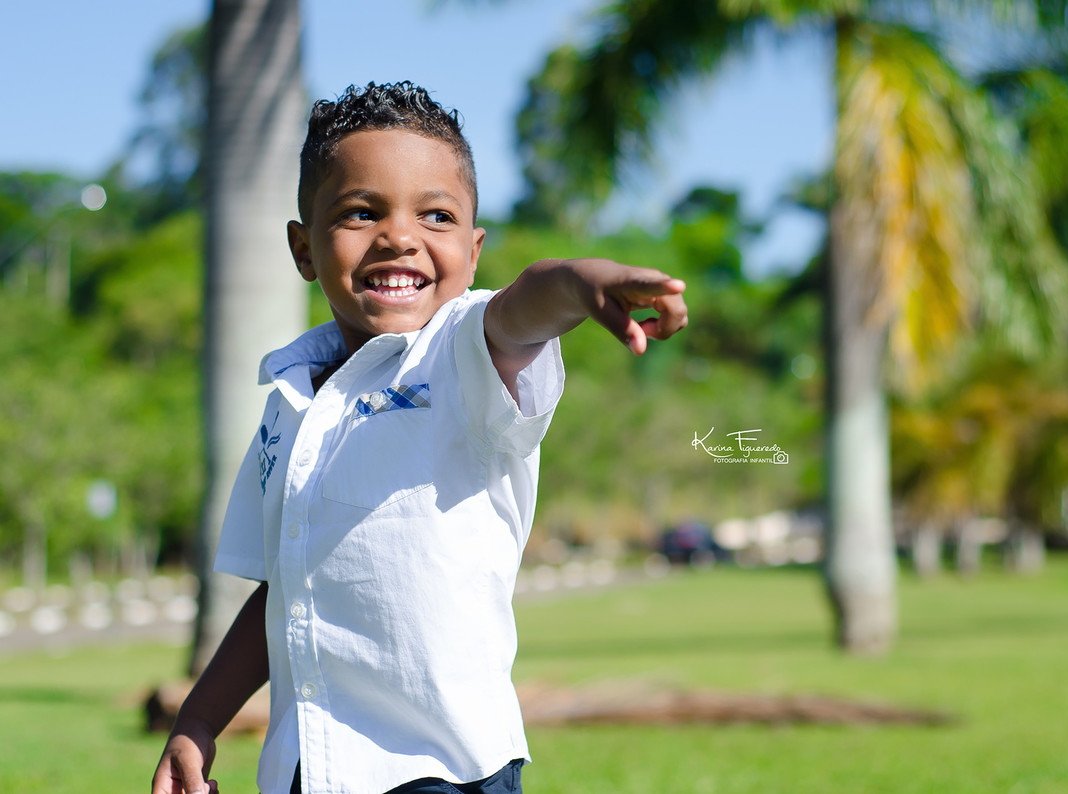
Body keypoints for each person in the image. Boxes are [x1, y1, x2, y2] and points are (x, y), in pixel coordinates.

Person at [150, 81, 687, 794]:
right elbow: (284, 587)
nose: (399, 235)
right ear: (304, 247)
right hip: (310, 770)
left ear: (472, 250)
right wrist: (198, 721)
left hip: (444, 770)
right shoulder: (288, 400)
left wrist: (582, 283)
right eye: (361, 211)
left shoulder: (464, 351)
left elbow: (526, 301)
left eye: (436, 215)